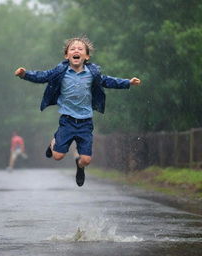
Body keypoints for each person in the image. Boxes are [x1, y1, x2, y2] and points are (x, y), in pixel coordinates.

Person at [15, 36, 141, 186]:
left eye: (80, 49)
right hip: (67, 120)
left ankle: (79, 167)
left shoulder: (92, 73)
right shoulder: (60, 71)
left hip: (85, 122)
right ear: (67, 55)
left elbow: (108, 80)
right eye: (72, 49)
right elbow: (42, 76)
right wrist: (24, 74)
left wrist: (128, 82)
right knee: (57, 156)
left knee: (86, 160)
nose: (76, 50)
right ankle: (53, 143)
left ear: (86, 56)